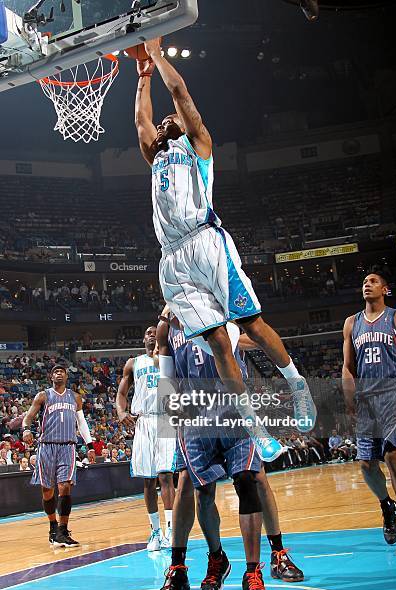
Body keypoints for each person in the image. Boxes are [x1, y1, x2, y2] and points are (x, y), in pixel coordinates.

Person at [133, 38, 316, 461]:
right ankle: (255, 428)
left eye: (169, 120)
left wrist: (158, 56)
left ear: (183, 122)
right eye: (161, 124)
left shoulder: (199, 146)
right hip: (173, 260)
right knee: (217, 342)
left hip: (207, 242)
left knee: (250, 323)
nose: (162, 123)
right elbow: (141, 120)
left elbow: (179, 95)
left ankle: (296, 382)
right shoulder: (156, 156)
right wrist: (141, 76)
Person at [156, 314, 303, 590]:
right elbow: (167, 381)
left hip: (235, 413)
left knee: (252, 478)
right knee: (197, 489)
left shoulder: (221, 310)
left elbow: (251, 335)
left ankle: (260, 567)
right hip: (196, 420)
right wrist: (170, 412)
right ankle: (201, 563)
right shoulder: (166, 326)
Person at [342, 268, 396, 556]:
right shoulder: (351, 323)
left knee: (394, 456)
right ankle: (386, 504)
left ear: (385, 289)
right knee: (367, 465)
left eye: (373, 282)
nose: (366, 285)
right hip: (367, 399)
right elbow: (348, 367)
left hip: (395, 393)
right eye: (364, 282)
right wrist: (349, 398)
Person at [116, 326, 176, 551]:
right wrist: (122, 413)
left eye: (155, 331)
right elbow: (121, 394)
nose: (151, 334)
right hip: (143, 420)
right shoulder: (133, 363)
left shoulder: (169, 357)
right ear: (143, 338)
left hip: (165, 418)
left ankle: (171, 529)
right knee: (148, 480)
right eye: (148, 332)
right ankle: (155, 532)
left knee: (166, 476)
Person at [22, 364, 94, 548]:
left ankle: (63, 530)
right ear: (51, 376)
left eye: (62, 371)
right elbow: (28, 416)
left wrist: (90, 445)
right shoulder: (43, 396)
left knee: (65, 487)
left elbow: (82, 423)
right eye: (55, 371)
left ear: (66, 375)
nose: (59, 373)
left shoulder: (75, 397)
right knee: (47, 490)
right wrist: (26, 430)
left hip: (67, 447)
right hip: (46, 446)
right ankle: (53, 526)